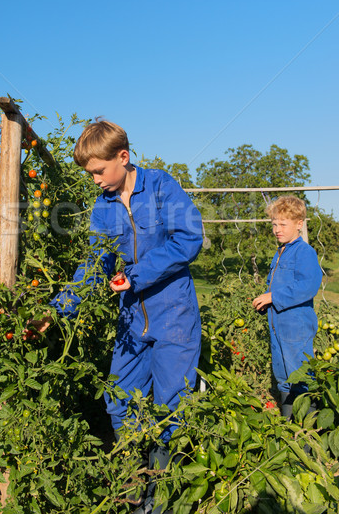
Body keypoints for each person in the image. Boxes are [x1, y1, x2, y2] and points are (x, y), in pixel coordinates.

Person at [49, 120, 203, 514]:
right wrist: (59, 309)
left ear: (123, 156)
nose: (96, 180)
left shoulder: (161, 186)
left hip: (173, 314)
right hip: (132, 319)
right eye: (90, 174)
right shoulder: (103, 208)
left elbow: (188, 238)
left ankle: (162, 499)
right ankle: (135, 495)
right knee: (119, 401)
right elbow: (94, 262)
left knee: (171, 407)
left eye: (99, 171)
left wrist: (134, 275)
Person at [252, 196, 322, 419]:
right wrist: (266, 300)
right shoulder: (281, 251)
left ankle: (308, 434)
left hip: (296, 328)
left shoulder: (304, 252)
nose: (276, 229)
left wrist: (274, 296)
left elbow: (308, 286)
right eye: (274, 224)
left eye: (283, 224)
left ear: (299, 224)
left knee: (300, 375)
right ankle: (289, 426)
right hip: (278, 325)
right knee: (283, 375)